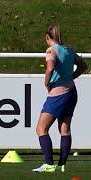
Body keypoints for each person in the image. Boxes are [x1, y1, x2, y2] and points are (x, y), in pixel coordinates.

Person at [32, 25, 88, 172]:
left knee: (41, 128)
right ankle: (62, 164)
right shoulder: (69, 50)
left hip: (58, 93)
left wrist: (47, 83)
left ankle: (49, 164)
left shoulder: (51, 51)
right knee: (65, 128)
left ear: (47, 37)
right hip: (71, 91)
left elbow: (50, 68)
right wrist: (71, 77)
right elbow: (84, 66)